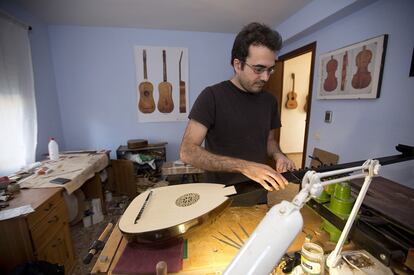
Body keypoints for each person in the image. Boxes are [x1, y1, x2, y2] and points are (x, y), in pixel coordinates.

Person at [179, 22, 295, 202]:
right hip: (220, 197)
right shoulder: (211, 96)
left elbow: (269, 140)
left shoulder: (270, 101)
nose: (265, 77)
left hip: (259, 193)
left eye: (270, 69)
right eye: (258, 69)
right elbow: (187, 152)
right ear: (237, 64)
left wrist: (279, 155)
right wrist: (244, 166)